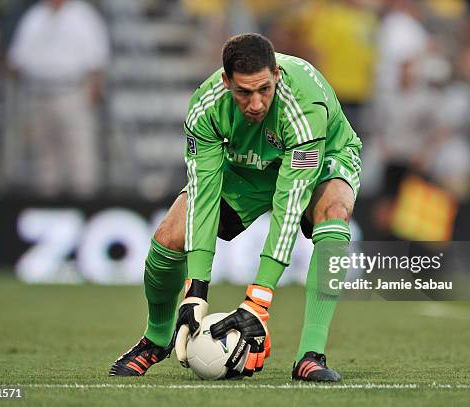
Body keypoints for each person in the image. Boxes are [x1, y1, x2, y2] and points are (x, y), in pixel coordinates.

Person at [110, 33, 362, 381]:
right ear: (226, 81)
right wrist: (195, 291)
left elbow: (289, 207)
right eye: (243, 92)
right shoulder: (206, 108)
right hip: (246, 166)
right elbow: (203, 195)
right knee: (169, 237)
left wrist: (258, 301)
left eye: (264, 89)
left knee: (333, 213)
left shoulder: (304, 107)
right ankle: (156, 339)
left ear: (276, 74)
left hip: (324, 155)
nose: (256, 103)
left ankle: (311, 354)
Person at [7, 0, 110, 197]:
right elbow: (17, 60)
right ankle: (47, 204)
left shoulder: (82, 16)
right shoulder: (34, 17)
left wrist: (94, 89)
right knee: (44, 157)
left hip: (72, 91)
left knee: (80, 155)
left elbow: (97, 59)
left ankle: (85, 203)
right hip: (37, 93)